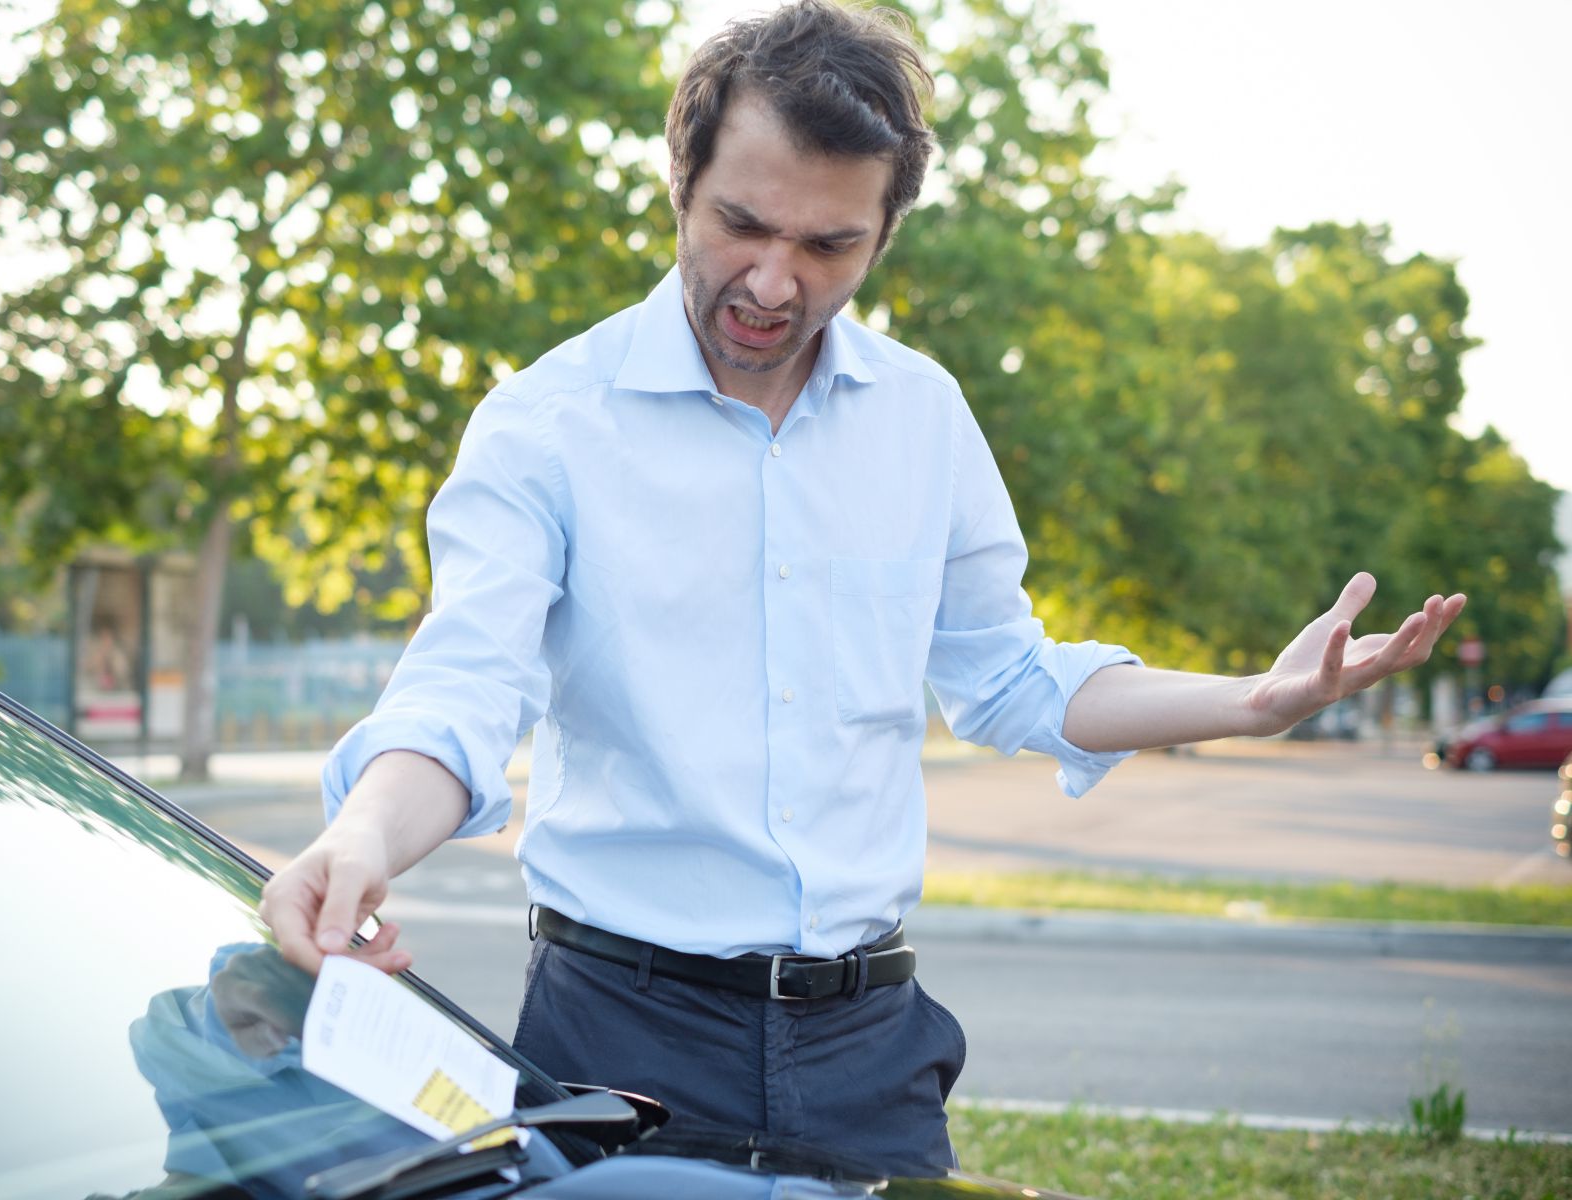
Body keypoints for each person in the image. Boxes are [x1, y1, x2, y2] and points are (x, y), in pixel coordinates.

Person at [260, 0, 1465, 1174]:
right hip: (618, 1034)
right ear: (681, 182)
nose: (774, 283)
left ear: (885, 234)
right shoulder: (544, 427)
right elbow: (467, 683)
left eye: (829, 245)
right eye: (742, 224)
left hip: (868, 1049)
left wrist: (1253, 701)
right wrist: (362, 833)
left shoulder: (925, 416)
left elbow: (1006, 675)